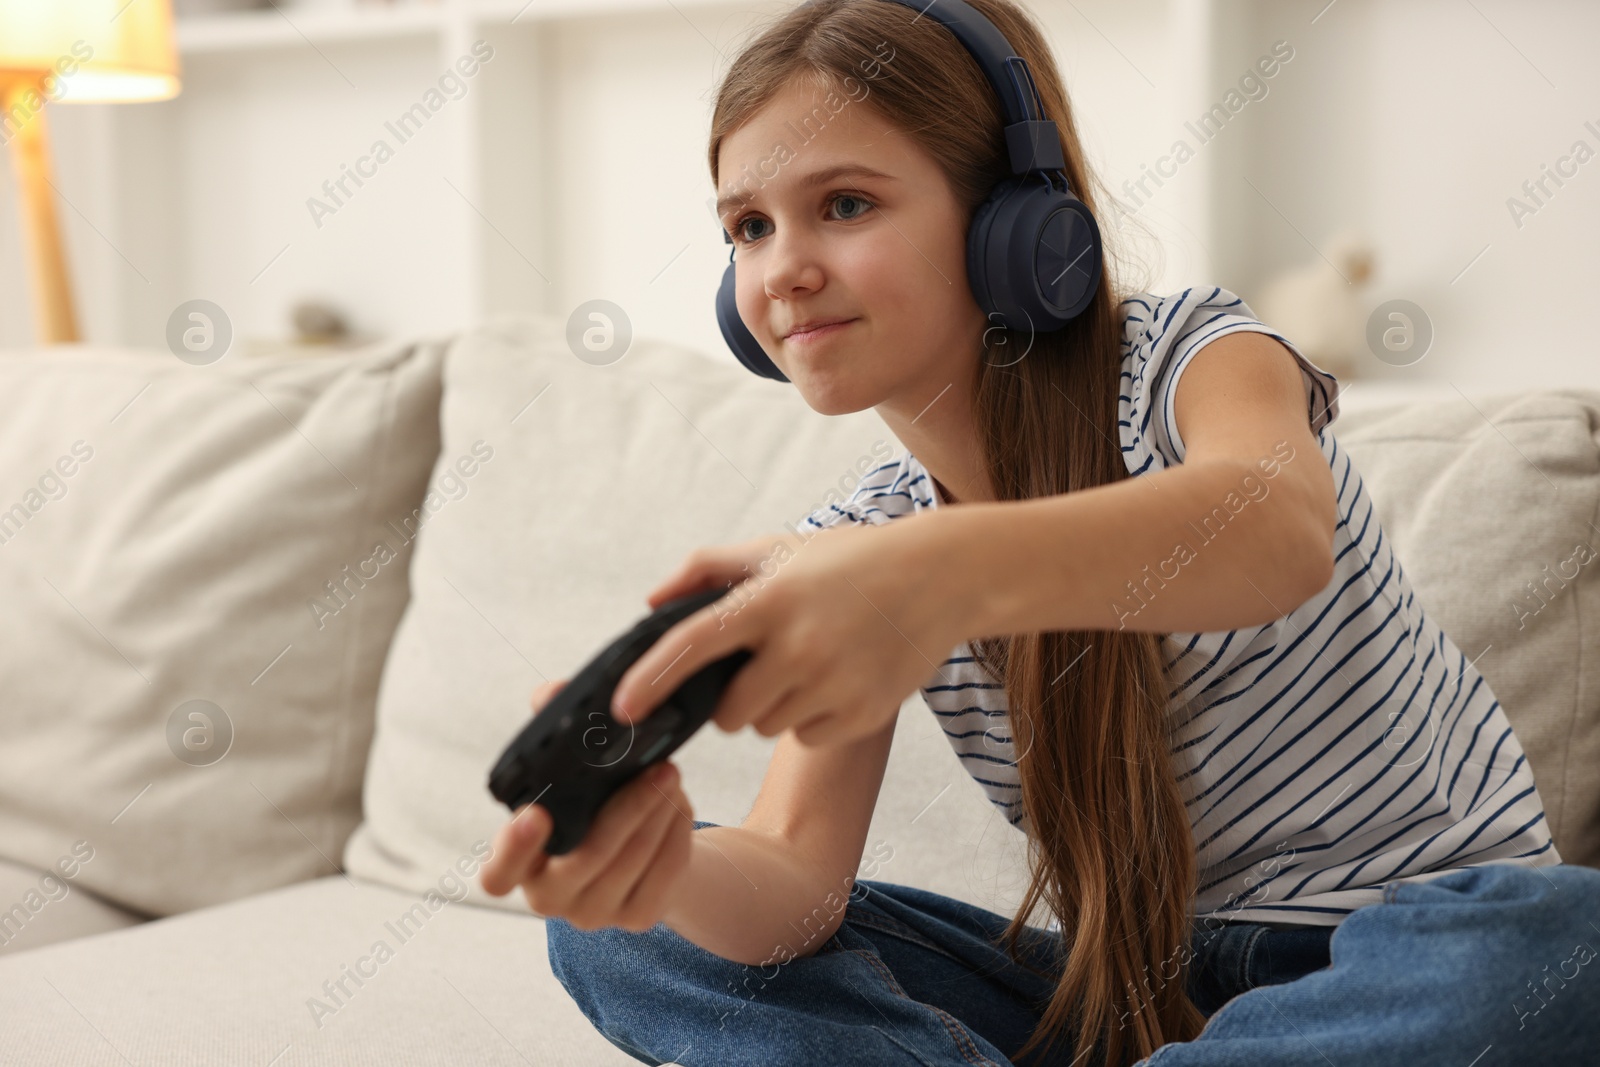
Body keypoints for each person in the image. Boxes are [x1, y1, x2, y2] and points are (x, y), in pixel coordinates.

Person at [479, 1, 1599, 1063]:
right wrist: (665, 867)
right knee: (620, 933)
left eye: (846, 204)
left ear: (1012, 223)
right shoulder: (865, 542)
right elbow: (792, 882)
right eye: (748, 226)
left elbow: (1275, 530)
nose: (783, 269)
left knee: (1566, 941)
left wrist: (929, 575)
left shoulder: (1190, 355)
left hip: (1393, 960)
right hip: (1131, 996)